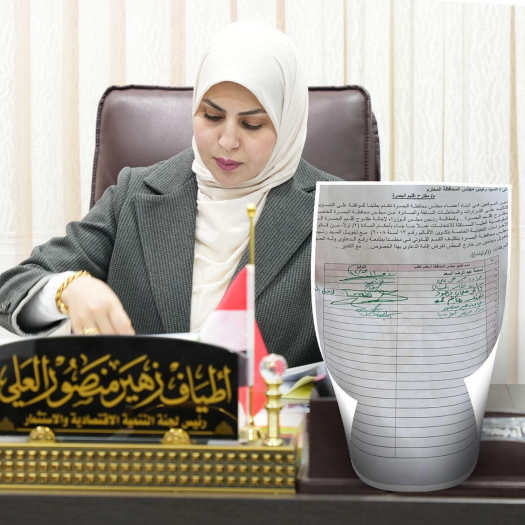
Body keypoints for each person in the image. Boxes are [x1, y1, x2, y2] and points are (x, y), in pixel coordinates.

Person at [0, 20, 341, 368]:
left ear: (287, 122)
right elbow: (12, 287)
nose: (227, 141)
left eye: (251, 124)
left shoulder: (337, 212)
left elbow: (368, 354)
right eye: (211, 116)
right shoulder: (134, 195)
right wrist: (66, 288)